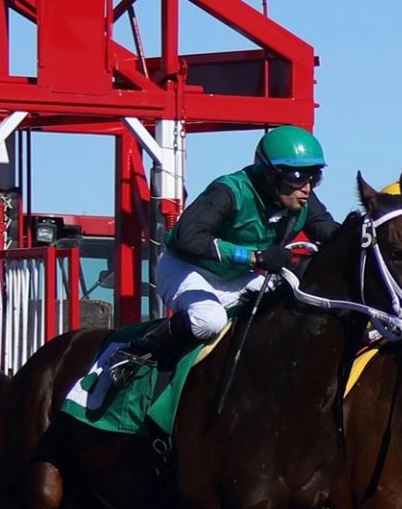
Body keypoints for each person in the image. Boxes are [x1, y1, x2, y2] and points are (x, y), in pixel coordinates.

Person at [121, 124, 341, 368]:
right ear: (270, 174)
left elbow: (332, 234)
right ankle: (143, 348)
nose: (307, 188)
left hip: (235, 277)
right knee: (210, 320)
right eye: (297, 177)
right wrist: (254, 258)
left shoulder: (303, 199)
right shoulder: (229, 190)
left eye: (314, 176)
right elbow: (188, 238)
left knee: (288, 306)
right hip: (186, 270)